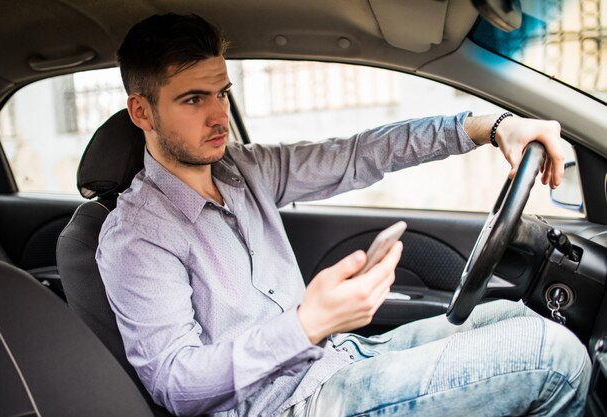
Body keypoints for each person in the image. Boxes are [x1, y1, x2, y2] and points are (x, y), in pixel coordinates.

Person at [96, 12, 591, 417]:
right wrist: (308, 322)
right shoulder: (136, 236)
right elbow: (175, 385)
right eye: (193, 99)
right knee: (556, 360)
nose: (219, 116)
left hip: (336, 357)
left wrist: (488, 125)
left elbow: (360, 154)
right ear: (141, 112)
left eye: (222, 93)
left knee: (517, 317)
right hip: (289, 406)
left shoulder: (242, 169)